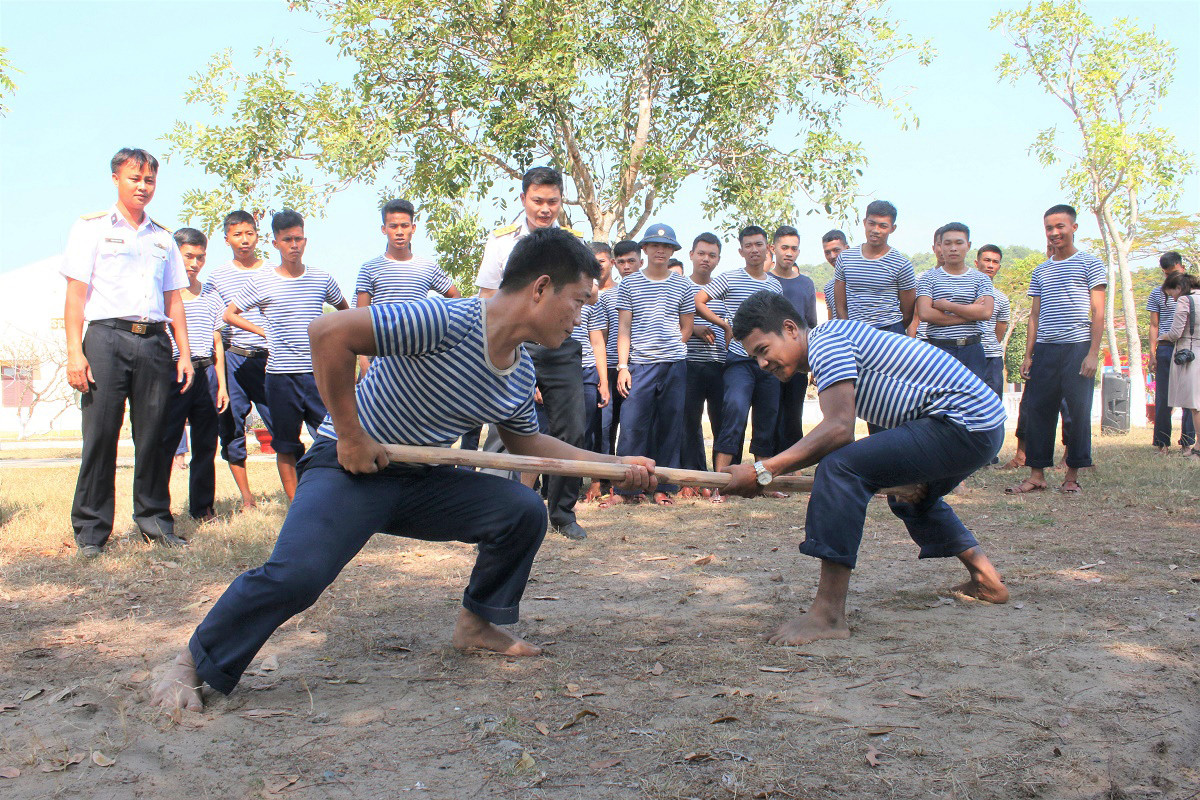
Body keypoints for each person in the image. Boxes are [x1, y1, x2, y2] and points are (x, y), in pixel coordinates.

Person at [148, 228, 656, 713]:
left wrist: (612, 465)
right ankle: (192, 661)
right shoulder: (447, 320)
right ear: (542, 288)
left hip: (419, 477)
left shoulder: (519, 370)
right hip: (347, 466)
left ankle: (479, 624)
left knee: (522, 509)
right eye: (581, 300)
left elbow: (527, 442)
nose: (583, 314)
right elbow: (329, 333)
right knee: (299, 577)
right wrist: (349, 434)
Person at [721, 290, 1008, 645]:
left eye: (763, 350)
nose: (762, 365)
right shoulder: (836, 342)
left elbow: (839, 429)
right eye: (755, 358)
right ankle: (986, 581)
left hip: (963, 423)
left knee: (839, 468)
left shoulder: (827, 341)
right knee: (909, 496)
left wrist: (764, 470)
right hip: (979, 425)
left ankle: (827, 616)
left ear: (791, 329)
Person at [62, 148, 193, 557]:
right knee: (100, 435)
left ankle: (154, 520)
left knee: (154, 436)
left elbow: (174, 301)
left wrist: (184, 353)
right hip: (105, 339)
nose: (143, 187)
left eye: (150, 180)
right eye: (135, 178)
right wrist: (73, 352)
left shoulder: (162, 238)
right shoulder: (91, 229)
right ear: (116, 178)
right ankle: (90, 531)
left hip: (154, 342)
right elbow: (75, 296)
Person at [475, 167, 590, 540]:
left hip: (560, 348)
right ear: (524, 198)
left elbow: (586, 294)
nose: (545, 209)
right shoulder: (501, 242)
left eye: (552, 202)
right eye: (537, 201)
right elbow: (487, 298)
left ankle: (562, 513)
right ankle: (492, 515)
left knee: (571, 427)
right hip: (514, 344)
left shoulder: (575, 243)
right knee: (500, 430)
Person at [224, 210, 350, 502]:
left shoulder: (321, 278)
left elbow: (347, 314)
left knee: (331, 438)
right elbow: (229, 314)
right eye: (287, 240)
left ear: (305, 240)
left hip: (318, 375)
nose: (294, 245)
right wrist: (262, 331)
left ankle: (333, 496)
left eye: (299, 239)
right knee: (285, 444)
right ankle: (297, 506)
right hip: (280, 377)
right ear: (275, 242)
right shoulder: (263, 281)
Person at [1006, 205, 1106, 495]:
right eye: (1049, 228)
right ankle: (1036, 475)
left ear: (1074, 227)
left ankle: (1071, 476)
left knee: (1077, 411)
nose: (1055, 233)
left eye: (1060, 226)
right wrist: (1028, 354)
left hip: (1078, 347)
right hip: (1046, 350)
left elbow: (1098, 312)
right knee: (1038, 410)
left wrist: (1093, 353)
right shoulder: (1041, 271)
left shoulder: (1090, 263)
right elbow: (1035, 316)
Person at [605, 223, 693, 507]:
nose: (661, 250)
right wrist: (622, 366)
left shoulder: (683, 284)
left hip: (674, 365)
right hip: (639, 365)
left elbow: (687, 327)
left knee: (670, 426)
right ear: (645, 249)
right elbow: (624, 329)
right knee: (632, 426)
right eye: (655, 245)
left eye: (667, 247)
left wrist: (669, 347)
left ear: (673, 251)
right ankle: (625, 489)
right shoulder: (629, 284)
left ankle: (664, 487)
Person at [695, 226, 784, 500]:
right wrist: (724, 324)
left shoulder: (775, 285)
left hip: (769, 363)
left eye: (759, 244)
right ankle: (720, 485)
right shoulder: (729, 278)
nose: (754, 249)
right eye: (749, 245)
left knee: (766, 418)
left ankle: (765, 484)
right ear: (741, 250)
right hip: (739, 360)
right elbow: (700, 300)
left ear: (767, 248)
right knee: (733, 413)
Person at [203, 211, 275, 510]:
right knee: (231, 427)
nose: (244, 240)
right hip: (234, 359)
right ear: (226, 239)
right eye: (237, 235)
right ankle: (247, 498)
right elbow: (206, 315)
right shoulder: (217, 277)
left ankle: (300, 491)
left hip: (271, 361)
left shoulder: (273, 271)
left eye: (249, 233)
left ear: (257, 235)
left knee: (283, 425)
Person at [160, 228, 230, 522]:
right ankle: (157, 509)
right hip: (173, 372)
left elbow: (218, 344)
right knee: (165, 443)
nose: (195, 263)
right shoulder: (163, 294)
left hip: (206, 373)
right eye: (189, 256)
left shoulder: (212, 295)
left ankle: (202, 508)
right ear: (175, 255)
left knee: (205, 444)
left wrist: (222, 386)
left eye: (200, 257)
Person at [354, 199, 461, 377]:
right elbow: (359, 316)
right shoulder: (369, 268)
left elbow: (455, 296)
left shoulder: (427, 267)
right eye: (393, 226)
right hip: (380, 356)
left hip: (418, 357)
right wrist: (363, 358)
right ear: (384, 229)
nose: (399, 232)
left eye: (404, 226)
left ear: (413, 228)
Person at [914, 222, 994, 381]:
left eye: (959, 242)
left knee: (972, 401)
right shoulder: (928, 279)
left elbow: (985, 312)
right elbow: (925, 313)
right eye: (947, 243)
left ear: (968, 245)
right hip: (939, 349)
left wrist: (947, 306)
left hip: (972, 349)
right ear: (940, 246)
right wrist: (970, 313)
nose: (953, 248)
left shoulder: (981, 279)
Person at [681, 233, 726, 491]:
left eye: (712, 255)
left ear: (718, 259)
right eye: (701, 253)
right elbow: (667, 318)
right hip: (689, 364)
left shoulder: (723, 289)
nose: (705, 259)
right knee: (689, 421)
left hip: (721, 364)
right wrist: (694, 327)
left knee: (722, 420)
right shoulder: (679, 286)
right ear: (691, 255)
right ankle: (693, 479)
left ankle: (720, 478)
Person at [833, 200, 916, 336]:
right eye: (872, 224)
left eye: (883, 226)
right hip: (855, 331)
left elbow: (907, 313)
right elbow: (840, 305)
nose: (875, 230)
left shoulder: (901, 264)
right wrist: (847, 330)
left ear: (892, 228)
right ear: (865, 222)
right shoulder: (845, 258)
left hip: (889, 332)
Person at [770, 226, 818, 454]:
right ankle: (768, 459)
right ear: (774, 249)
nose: (789, 253)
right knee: (770, 411)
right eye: (784, 247)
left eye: (794, 248)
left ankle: (793, 462)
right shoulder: (765, 280)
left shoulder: (806, 284)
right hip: (771, 360)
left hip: (799, 361)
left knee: (793, 412)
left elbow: (811, 323)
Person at [1147, 252, 1196, 454]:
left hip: (1188, 346)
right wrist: (1152, 354)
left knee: (1189, 395)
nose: (1170, 277)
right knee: (1163, 396)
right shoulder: (1158, 293)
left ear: (1181, 267)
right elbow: (1153, 324)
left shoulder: (1193, 292)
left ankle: (1187, 442)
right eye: (1166, 274)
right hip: (1166, 347)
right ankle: (1162, 443)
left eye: (1173, 272)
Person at [1160, 272, 1200, 458]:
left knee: (1195, 405)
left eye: (1172, 294)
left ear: (1178, 288)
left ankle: (1199, 447)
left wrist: (1163, 336)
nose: (1174, 299)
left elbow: (1176, 332)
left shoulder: (1185, 301)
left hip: (1191, 355)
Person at [975, 245, 1010, 398]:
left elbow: (1001, 327)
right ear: (977, 263)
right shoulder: (966, 290)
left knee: (993, 404)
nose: (990, 265)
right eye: (986, 260)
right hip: (968, 354)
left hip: (992, 358)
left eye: (995, 262)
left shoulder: (1002, 298)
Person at [820, 230, 848, 319]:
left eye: (836, 250)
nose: (832, 256)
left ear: (847, 248)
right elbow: (831, 320)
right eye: (827, 252)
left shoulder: (859, 279)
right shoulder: (828, 287)